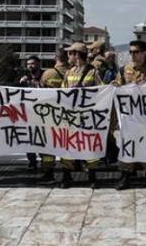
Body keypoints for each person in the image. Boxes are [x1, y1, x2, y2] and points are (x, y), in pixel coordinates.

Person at [113, 40, 146, 191]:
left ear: (145, 53)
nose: (132, 55)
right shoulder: (125, 69)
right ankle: (126, 175)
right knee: (128, 145)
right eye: (131, 52)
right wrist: (115, 85)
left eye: (136, 52)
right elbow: (118, 84)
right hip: (129, 117)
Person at [60, 42, 104, 188]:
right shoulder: (68, 73)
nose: (68, 56)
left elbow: (102, 91)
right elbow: (62, 92)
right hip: (71, 116)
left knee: (89, 146)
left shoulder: (93, 72)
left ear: (77, 55)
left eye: (70, 53)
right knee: (68, 146)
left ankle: (92, 177)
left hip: (87, 117)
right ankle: (67, 176)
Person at [38, 49, 69, 184]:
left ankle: (48, 173)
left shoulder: (48, 74)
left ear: (55, 58)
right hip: (68, 116)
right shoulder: (72, 73)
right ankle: (67, 174)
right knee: (66, 144)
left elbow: (40, 93)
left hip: (50, 115)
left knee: (48, 146)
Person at [18, 55, 44, 171]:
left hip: (43, 113)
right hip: (28, 113)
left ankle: (45, 162)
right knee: (29, 139)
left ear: (38, 64)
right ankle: (32, 161)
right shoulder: (25, 78)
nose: (30, 66)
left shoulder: (44, 76)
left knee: (43, 138)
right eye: (28, 64)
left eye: (32, 63)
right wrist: (20, 83)